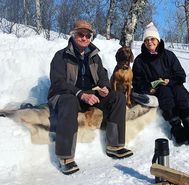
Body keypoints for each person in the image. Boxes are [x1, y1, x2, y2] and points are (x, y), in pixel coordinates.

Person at [48, 20, 133, 175]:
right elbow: (58, 82)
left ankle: (115, 146)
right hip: (66, 95)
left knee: (118, 97)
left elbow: (103, 75)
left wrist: (105, 88)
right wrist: (80, 94)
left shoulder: (94, 56)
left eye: (88, 35)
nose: (84, 38)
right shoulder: (61, 56)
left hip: (89, 94)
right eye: (81, 34)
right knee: (69, 100)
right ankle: (65, 157)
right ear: (73, 35)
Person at [132, 22, 189, 146]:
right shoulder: (140, 60)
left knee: (179, 92)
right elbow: (136, 81)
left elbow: (181, 75)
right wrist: (148, 88)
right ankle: (176, 127)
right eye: (146, 40)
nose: (150, 42)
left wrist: (170, 81)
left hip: (173, 84)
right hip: (158, 89)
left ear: (157, 40)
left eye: (152, 39)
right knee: (164, 92)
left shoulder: (169, 55)